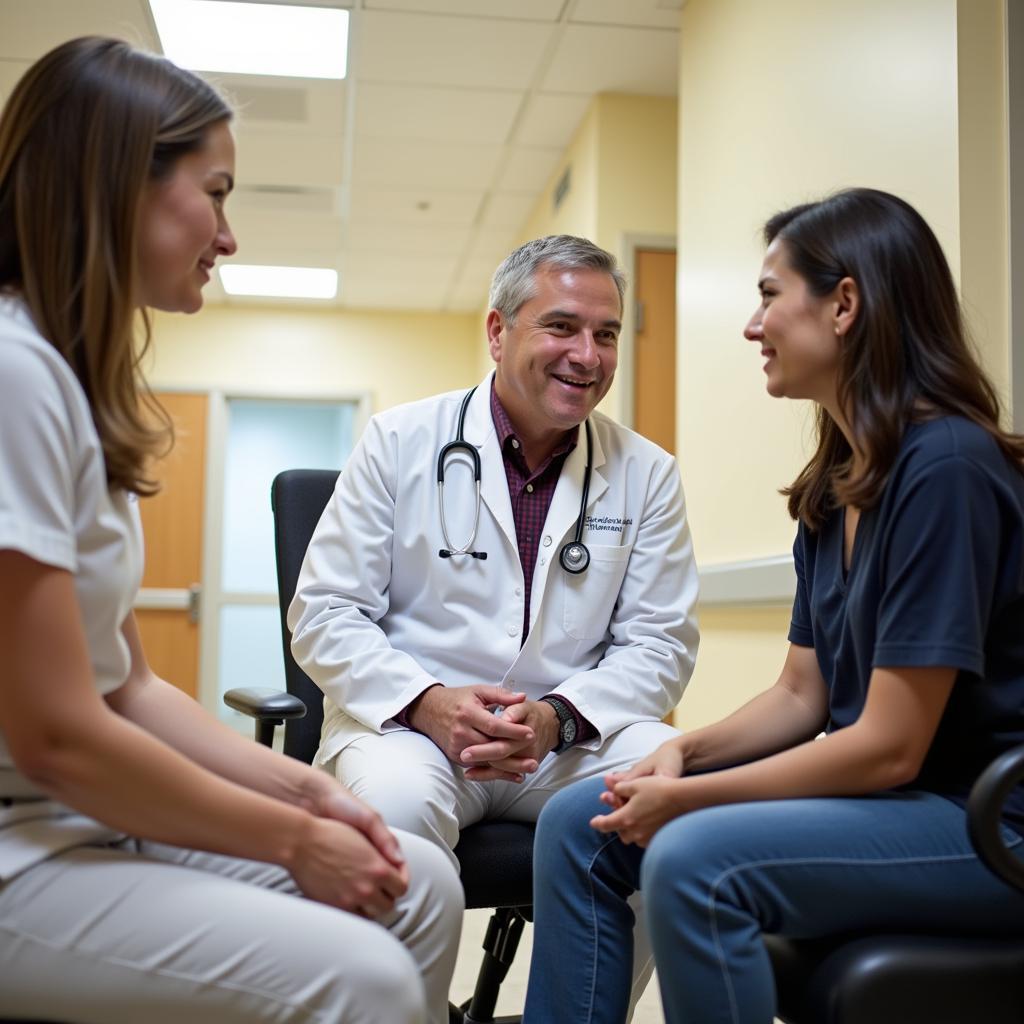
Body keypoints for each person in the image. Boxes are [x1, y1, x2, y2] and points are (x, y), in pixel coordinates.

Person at [0, 36, 462, 1024]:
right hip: (21, 846)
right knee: (365, 975)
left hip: (77, 816)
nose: (228, 233)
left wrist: (308, 798)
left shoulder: (69, 382)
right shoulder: (13, 373)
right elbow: (53, 737)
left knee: (416, 880)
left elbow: (124, 684)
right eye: (215, 192)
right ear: (120, 181)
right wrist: (287, 837)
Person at [520, 188, 1024, 1024]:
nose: (752, 327)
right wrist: (683, 757)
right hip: (908, 801)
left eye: (767, 296)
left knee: (691, 860)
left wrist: (693, 799)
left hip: (987, 821)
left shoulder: (947, 470)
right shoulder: (839, 483)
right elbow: (802, 696)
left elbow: (891, 748)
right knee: (582, 818)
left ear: (844, 305)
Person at [288, 235, 699, 862]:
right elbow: (325, 613)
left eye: (607, 334)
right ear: (497, 332)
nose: (587, 356)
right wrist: (428, 703)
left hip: (568, 741)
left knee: (665, 800)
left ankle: (580, 968)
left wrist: (556, 716)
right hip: (413, 732)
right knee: (399, 805)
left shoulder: (648, 472)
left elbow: (660, 644)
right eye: (562, 327)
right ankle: (401, 968)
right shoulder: (399, 441)